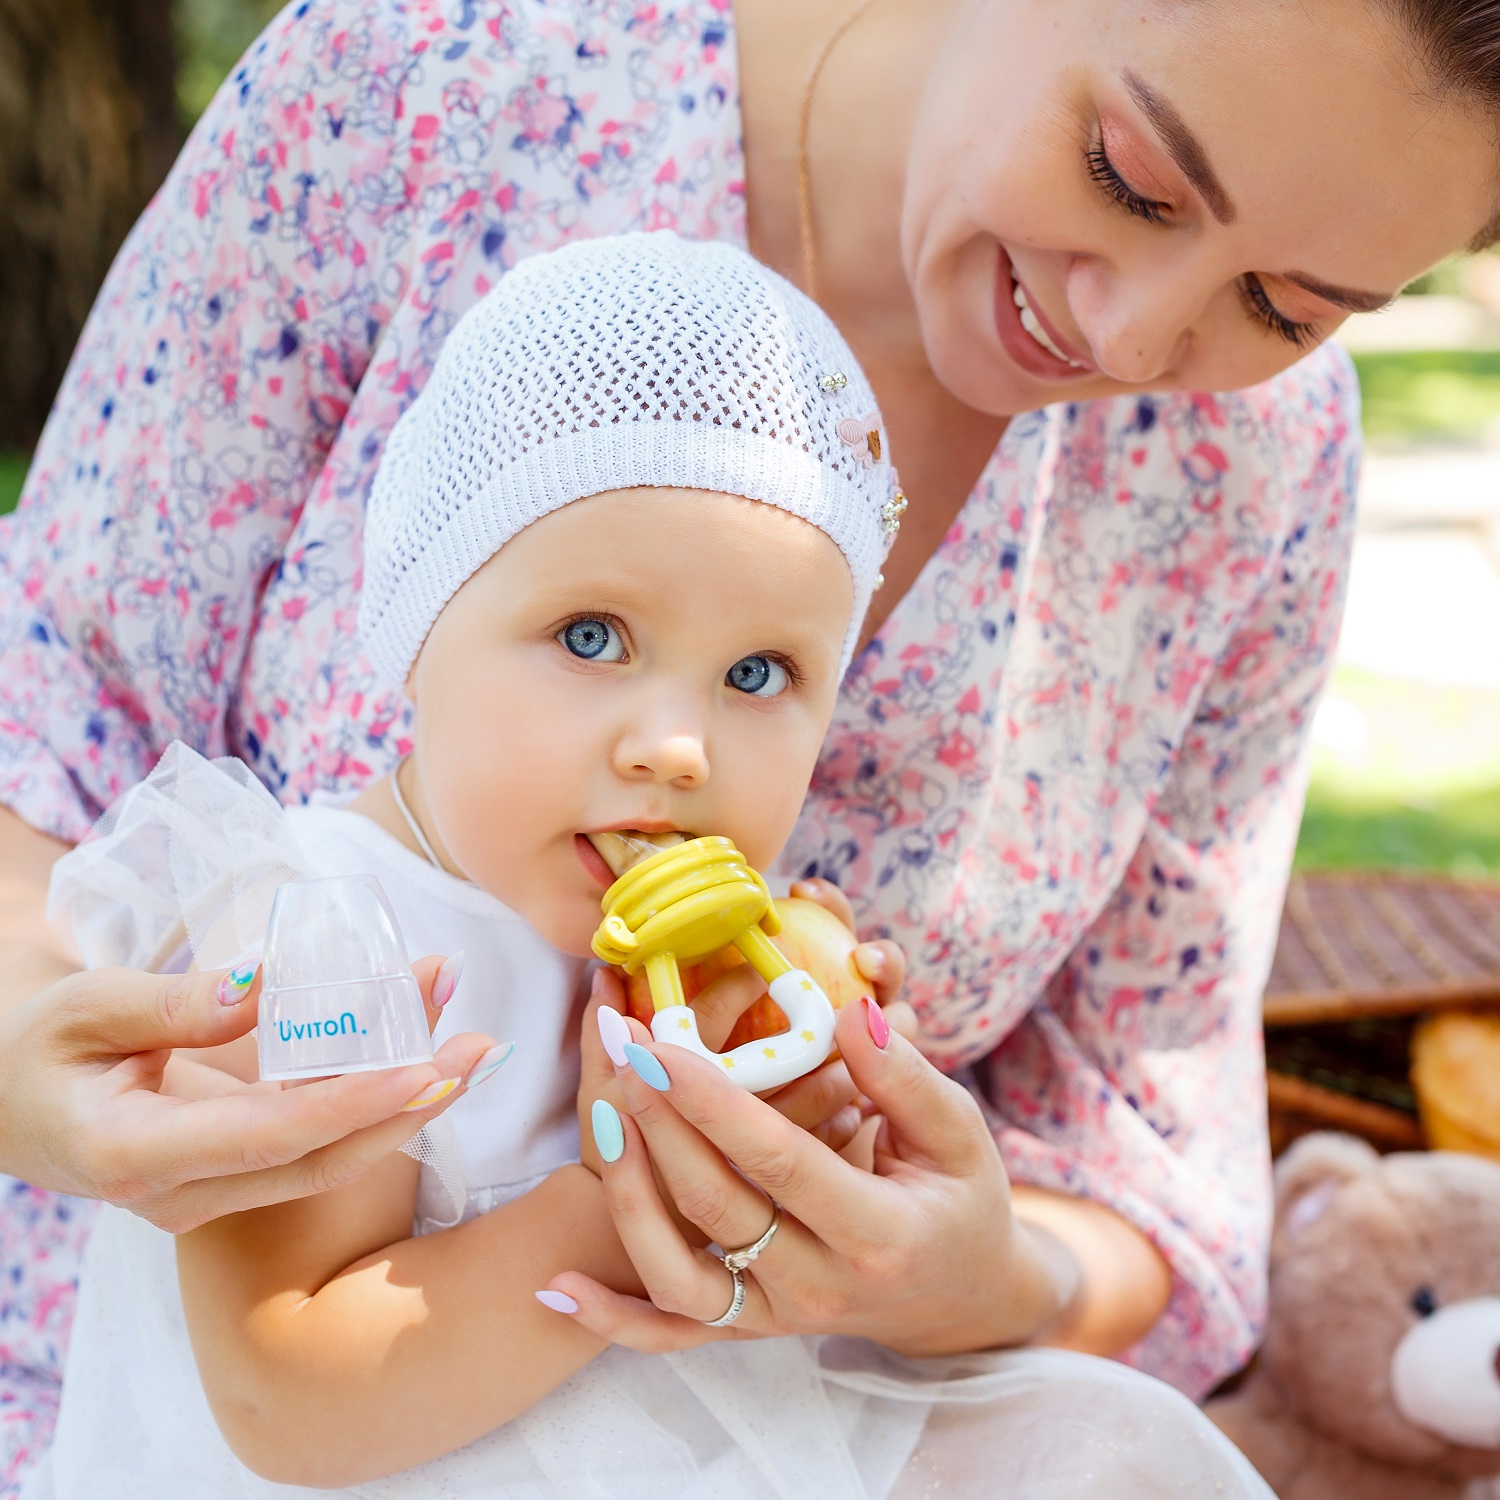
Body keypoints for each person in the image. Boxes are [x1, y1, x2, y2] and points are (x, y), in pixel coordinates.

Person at [0, 0, 1495, 1481]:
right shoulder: (441, 80)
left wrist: (925, 1231)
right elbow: (292, 1388)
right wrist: (628, 1194)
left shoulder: (1256, 477)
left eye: (1291, 306)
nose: (1128, 331)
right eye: (1128, 172)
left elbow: (1144, 1165)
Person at [24, 232, 1270, 1497]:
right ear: (415, 624)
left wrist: (808, 1109)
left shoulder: (719, 948)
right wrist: (631, 1195)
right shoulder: (328, 936)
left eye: (757, 675)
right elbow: (283, 1396)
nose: (678, 747)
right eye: (591, 634)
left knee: (1120, 1451)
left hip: (691, 1441)